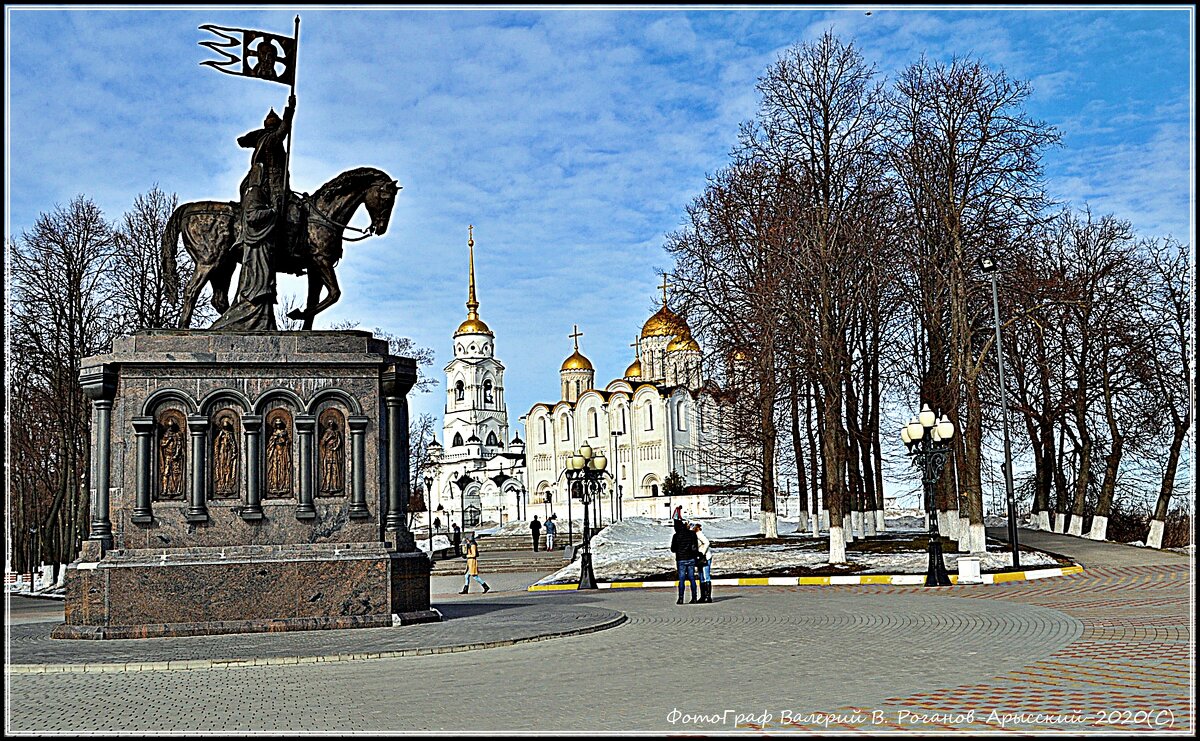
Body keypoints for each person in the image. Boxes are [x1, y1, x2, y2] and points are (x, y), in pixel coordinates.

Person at [670, 519, 699, 605]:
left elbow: (673, 549)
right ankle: (694, 598)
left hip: (681, 559)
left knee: (681, 579)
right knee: (692, 578)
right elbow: (695, 547)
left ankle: (681, 599)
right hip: (691, 558)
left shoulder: (676, 536)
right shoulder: (692, 534)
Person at [693, 522, 713, 604]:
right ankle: (702, 596)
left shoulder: (699, 534)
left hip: (705, 557)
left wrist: (702, 552)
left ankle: (708, 597)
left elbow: (707, 542)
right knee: (701, 576)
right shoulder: (694, 535)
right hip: (699, 558)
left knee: (706, 576)